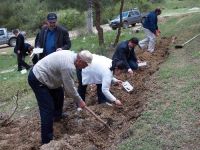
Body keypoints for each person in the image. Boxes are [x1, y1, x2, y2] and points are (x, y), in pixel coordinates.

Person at [28, 50, 93, 144]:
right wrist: (80, 101)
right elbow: (70, 88)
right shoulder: (68, 66)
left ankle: (57, 117)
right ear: (79, 60)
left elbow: (68, 85)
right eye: (85, 64)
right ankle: (47, 141)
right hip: (38, 78)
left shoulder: (72, 56)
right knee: (47, 109)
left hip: (50, 76)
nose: (85, 67)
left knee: (59, 94)